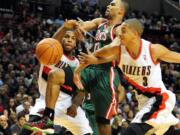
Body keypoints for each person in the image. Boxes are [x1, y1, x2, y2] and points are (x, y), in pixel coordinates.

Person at [75, 18, 180, 135]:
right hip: (143, 102)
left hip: (159, 99)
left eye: (124, 31)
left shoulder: (153, 50)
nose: (120, 34)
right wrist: (77, 72)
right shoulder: (117, 51)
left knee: (131, 132)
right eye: (120, 31)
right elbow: (91, 58)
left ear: (135, 34)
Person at [22, 20, 92, 135]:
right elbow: (51, 42)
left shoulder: (78, 64)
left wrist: (75, 105)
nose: (69, 39)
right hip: (46, 102)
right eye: (66, 36)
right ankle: (47, 120)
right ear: (61, 40)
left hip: (68, 103)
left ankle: (49, 120)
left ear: (75, 43)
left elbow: (81, 90)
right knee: (26, 132)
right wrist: (64, 28)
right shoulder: (49, 53)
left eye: (73, 38)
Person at [69, 0, 128, 135]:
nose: (108, 5)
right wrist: (76, 26)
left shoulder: (120, 28)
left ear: (121, 11)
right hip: (89, 68)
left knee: (101, 122)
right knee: (63, 76)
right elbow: (84, 25)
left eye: (113, 4)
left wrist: (95, 60)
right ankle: (48, 113)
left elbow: (117, 53)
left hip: (105, 72)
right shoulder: (100, 22)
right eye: (109, 3)